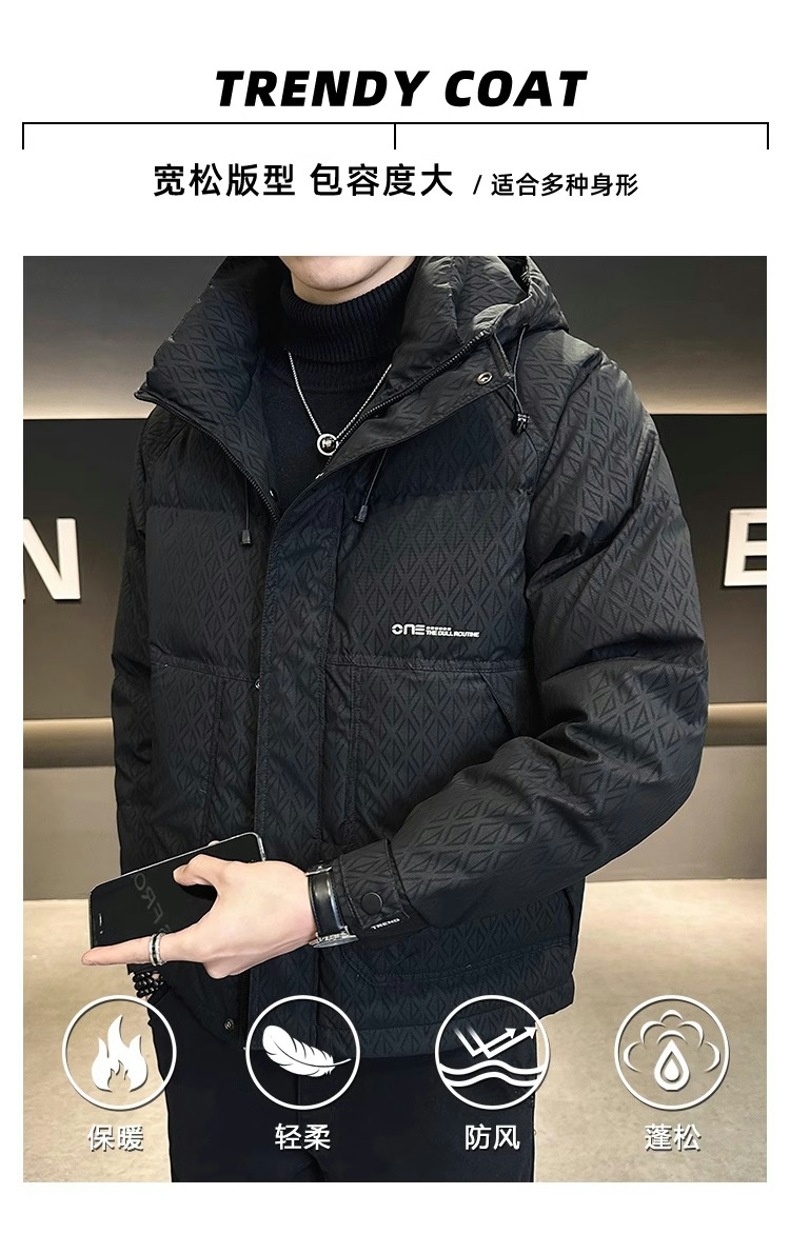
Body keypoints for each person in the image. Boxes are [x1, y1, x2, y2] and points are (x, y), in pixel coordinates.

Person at [82, 255, 709, 1182]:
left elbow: (634, 734)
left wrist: (333, 900)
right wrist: (163, 946)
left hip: (442, 1023)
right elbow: (148, 700)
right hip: (217, 1009)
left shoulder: (564, 405)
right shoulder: (189, 414)